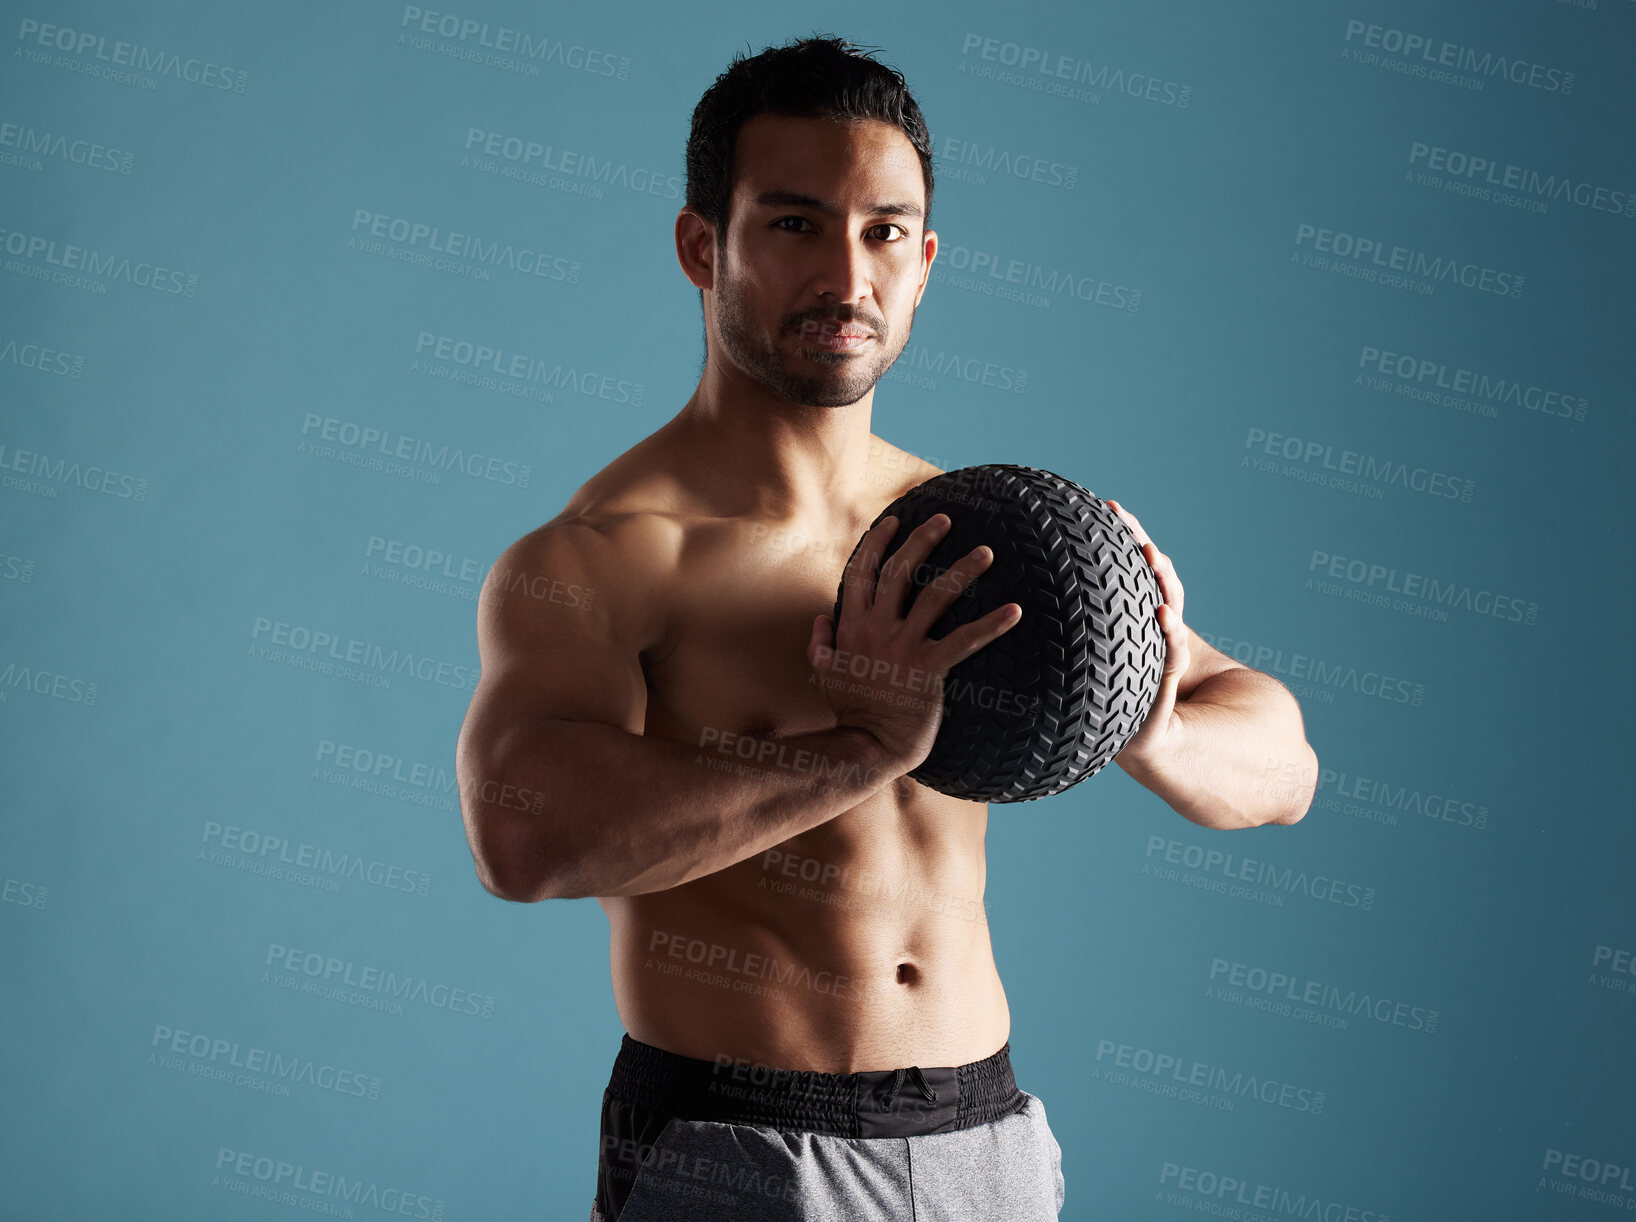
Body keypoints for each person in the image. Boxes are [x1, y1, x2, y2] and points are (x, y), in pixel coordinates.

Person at [454, 35, 1318, 1222]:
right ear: (703, 247)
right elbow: (523, 836)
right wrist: (860, 751)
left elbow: (1283, 764)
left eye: (885, 229)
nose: (848, 276)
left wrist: (1145, 714)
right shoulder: (609, 552)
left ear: (926, 261)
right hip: (743, 1149)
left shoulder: (979, 533)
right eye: (796, 225)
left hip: (987, 1141)